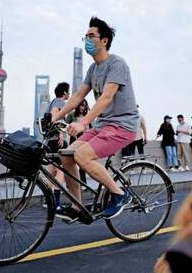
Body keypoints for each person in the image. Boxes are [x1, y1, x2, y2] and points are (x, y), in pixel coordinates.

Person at [52, 16, 139, 221]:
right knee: (66, 155)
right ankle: (76, 206)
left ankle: (119, 194)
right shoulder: (93, 69)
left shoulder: (117, 64)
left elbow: (106, 97)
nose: (87, 40)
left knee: (82, 156)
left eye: (91, 36)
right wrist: (55, 117)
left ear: (104, 40)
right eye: (85, 37)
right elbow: (77, 97)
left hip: (123, 125)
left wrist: (82, 122)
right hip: (103, 125)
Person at [46, 82, 70, 208]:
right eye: (68, 91)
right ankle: (56, 202)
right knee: (63, 171)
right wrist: (61, 132)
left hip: (50, 141)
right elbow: (55, 117)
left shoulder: (52, 102)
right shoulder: (60, 102)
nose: (69, 94)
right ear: (65, 92)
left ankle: (48, 200)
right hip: (58, 141)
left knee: (51, 171)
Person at [67, 98, 90, 184]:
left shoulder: (87, 117)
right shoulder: (71, 115)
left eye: (84, 106)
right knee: (71, 161)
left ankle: (83, 182)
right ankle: (72, 182)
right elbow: (66, 125)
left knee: (82, 161)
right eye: (81, 105)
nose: (82, 108)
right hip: (74, 139)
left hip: (85, 140)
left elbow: (91, 129)